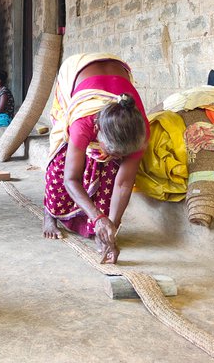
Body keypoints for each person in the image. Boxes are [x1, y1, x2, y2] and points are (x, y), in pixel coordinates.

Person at [42, 54, 149, 264]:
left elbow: (124, 183)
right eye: (112, 150)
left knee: (109, 168)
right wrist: (98, 217)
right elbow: (70, 178)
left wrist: (112, 229)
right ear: (97, 129)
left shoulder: (139, 131)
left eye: (120, 155)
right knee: (60, 161)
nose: (115, 157)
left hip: (113, 81)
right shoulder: (83, 124)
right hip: (75, 73)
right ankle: (49, 213)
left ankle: (100, 229)